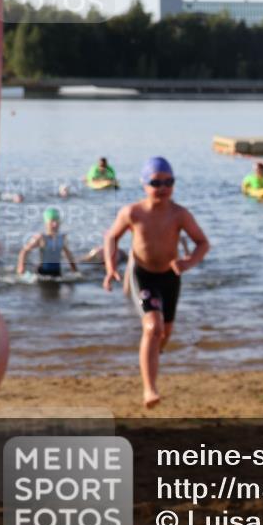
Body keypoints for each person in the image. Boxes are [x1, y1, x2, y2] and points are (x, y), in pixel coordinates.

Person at [102, 157, 210, 408]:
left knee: (165, 332)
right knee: (152, 327)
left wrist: (188, 262)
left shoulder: (179, 214)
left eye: (168, 182)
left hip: (170, 276)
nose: (162, 187)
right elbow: (111, 237)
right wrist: (110, 268)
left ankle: (151, 353)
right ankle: (149, 389)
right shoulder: (133, 213)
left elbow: (202, 243)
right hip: (143, 274)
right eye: (156, 182)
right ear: (144, 184)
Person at [16, 207, 79, 277]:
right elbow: (24, 251)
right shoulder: (40, 238)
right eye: (52, 221)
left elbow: (68, 255)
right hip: (43, 273)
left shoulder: (62, 238)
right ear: (46, 223)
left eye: (57, 221)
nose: (55, 224)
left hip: (57, 273)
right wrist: (21, 267)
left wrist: (75, 270)